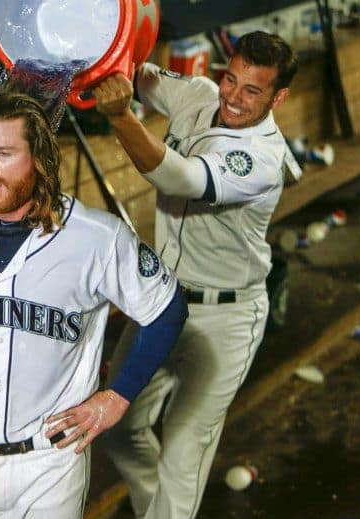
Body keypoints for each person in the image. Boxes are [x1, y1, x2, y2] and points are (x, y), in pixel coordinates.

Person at [0, 88, 188, 518]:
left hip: (48, 468)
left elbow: (168, 310)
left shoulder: (95, 239)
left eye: (5, 153)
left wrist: (117, 398)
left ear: (40, 158)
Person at [92, 31, 298, 519]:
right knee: (120, 432)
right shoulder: (201, 94)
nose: (234, 96)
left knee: (184, 454)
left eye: (253, 90)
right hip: (161, 305)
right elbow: (135, 75)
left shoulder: (263, 160)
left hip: (226, 318)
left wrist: (121, 117)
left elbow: (180, 178)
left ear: (278, 97)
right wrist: (107, 53)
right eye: (232, 79)